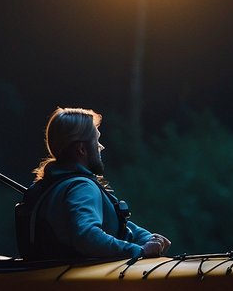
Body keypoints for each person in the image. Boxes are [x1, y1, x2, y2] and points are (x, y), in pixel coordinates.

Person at [16, 107, 171, 260]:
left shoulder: (46, 187)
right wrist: (140, 251)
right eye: (96, 140)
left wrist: (146, 238)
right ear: (82, 149)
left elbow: (113, 225)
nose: (101, 147)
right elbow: (87, 237)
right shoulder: (82, 187)